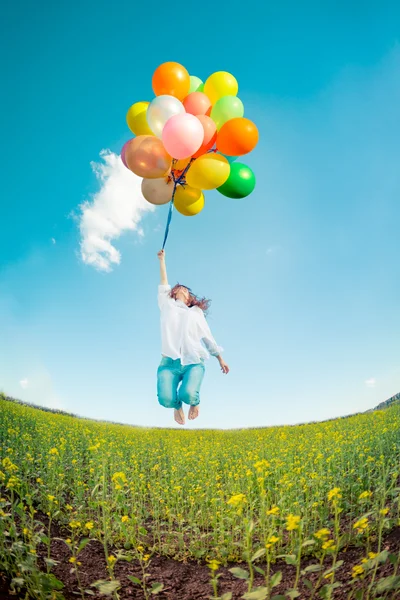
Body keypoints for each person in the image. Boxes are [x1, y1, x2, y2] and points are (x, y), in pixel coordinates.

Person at [157, 249, 229, 425]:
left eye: (186, 290)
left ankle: (194, 403)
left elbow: (208, 337)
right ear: (172, 294)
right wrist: (162, 260)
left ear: (190, 299)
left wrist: (220, 359)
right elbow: (164, 282)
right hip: (169, 363)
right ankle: (177, 406)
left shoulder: (195, 313)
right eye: (178, 288)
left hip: (193, 362)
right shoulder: (166, 305)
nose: (181, 289)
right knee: (165, 399)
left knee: (188, 394)